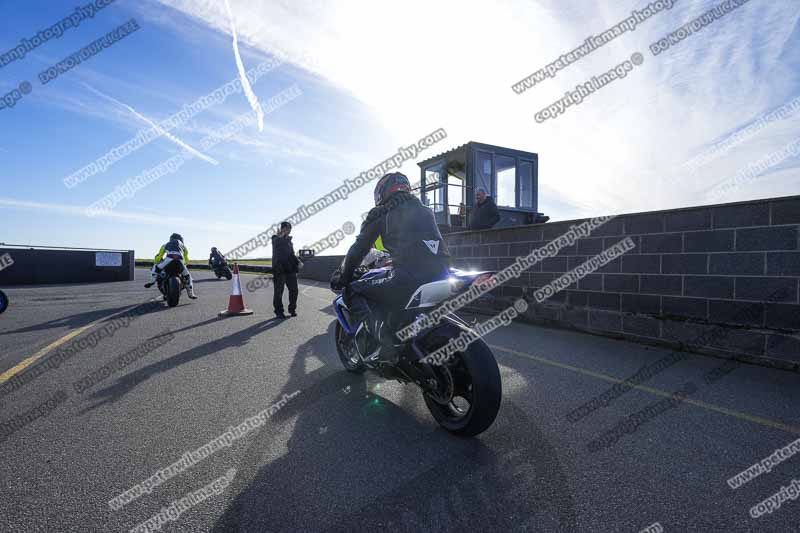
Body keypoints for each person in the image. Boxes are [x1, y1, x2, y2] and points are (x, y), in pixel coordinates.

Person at [331, 172, 450, 363]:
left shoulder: (381, 212)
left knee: (353, 290)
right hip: (444, 272)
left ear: (382, 192)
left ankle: (378, 343)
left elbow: (358, 249)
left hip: (409, 275)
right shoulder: (425, 210)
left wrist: (343, 276)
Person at [145, 233, 197, 299]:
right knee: (188, 276)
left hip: (168, 260)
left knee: (156, 267)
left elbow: (159, 256)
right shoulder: (184, 247)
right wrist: (184, 264)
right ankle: (191, 293)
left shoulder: (165, 245)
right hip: (180, 261)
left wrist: (157, 261)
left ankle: (152, 281)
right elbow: (186, 260)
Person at [271, 222, 302, 318]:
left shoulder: (289, 241)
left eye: (290, 229)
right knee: (278, 291)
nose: (289, 231)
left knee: (294, 290)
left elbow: (292, 254)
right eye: (288, 229)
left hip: (290, 269)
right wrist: (281, 235)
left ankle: (292, 309)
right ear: (283, 229)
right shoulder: (276, 239)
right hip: (279, 270)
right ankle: (279, 311)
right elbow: (277, 243)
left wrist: (298, 262)